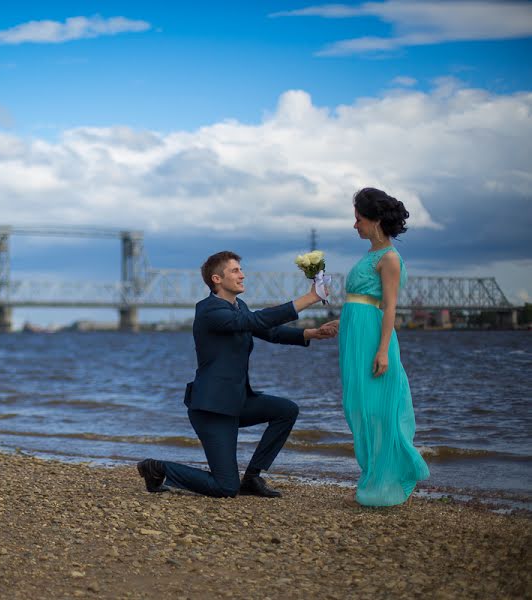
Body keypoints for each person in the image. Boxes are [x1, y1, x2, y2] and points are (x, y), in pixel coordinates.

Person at [137, 251, 336, 498]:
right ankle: (157, 468)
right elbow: (256, 321)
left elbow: (268, 330)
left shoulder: (238, 306)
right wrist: (310, 298)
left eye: (241, 270)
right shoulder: (209, 310)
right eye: (235, 270)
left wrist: (311, 333)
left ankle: (252, 478)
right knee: (225, 488)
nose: (242, 275)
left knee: (286, 410)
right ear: (217, 279)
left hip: (236, 401)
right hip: (212, 409)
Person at [330, 187, 430, 506]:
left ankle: (386, 481)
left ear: (374, 221)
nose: (354, 224)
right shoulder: (370, 254)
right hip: (354, 335)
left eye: (358, 218)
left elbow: (389, 307)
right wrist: (342, 323)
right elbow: (360, 301)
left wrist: (384, 350)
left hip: (373, 338)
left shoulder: (389, 258)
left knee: (378, 408)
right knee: (356, 405)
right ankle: (373, 474)